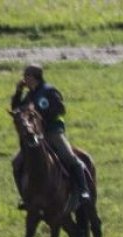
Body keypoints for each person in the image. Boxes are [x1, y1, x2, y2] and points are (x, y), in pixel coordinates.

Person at [10, 63, 90, 204]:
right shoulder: (30, 95)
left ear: (33, 77)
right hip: (35, 135)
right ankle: (25, 197)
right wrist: (18, 92)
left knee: (69, 157)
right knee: (17, 162)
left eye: (25, 76)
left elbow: (60, 109)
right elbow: (17, 110)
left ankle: (83, 190)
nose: (24, 79)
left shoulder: (49, 91)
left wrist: (40, 117)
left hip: (52, 132)